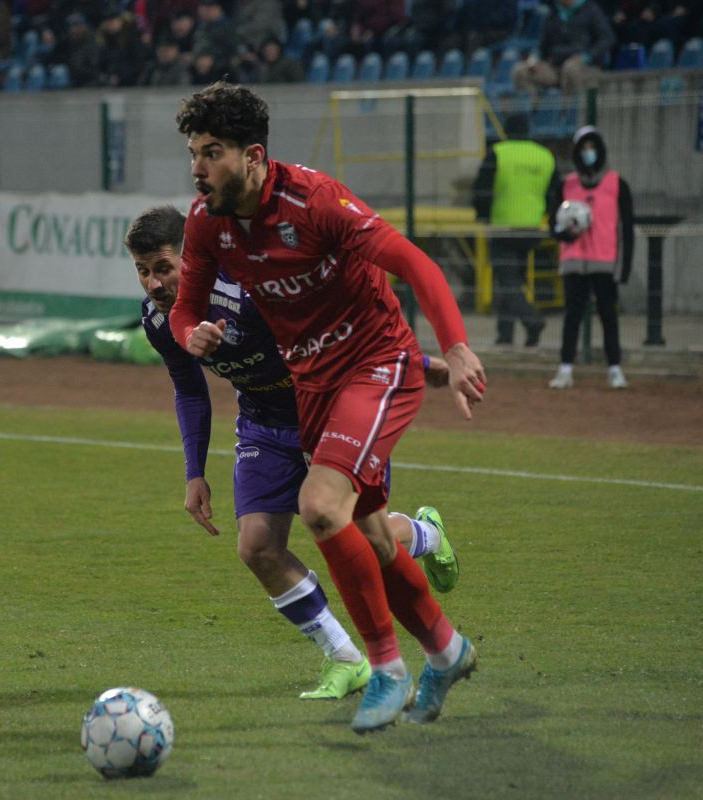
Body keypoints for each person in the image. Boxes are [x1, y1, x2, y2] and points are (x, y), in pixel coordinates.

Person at [169, 82, 486, 733]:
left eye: (212, 153)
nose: (197, 168)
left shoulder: (315, 202)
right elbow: (184, 309)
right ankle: (448, 651)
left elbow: (414, 263)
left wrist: (453, 349)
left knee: (319, 505)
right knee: (369, 539)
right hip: (311, 385)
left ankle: (386, 671)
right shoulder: (207, 224)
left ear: (253, 156)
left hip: (376, 363)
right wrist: (189, 334)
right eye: (194, 153)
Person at [127, 204, 461, 701]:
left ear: (190, 260)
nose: (153, 283)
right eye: (142, 271)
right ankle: (346, 659)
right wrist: (194, 472)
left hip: (332, 410)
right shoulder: (159, 319)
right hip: (264, 424)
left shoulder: (248, 292)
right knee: (257, 546)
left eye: (163, 267)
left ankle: (426, 535)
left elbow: (345, 325)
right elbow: (190, 389)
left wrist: (417, 361)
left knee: (366, 542)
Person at [548, 125, 635, 390]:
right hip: (574, 262)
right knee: (572, 315)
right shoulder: (567, 185)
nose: (589, 153)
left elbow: (626, 228)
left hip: (605, 263)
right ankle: (565, 369)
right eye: (583, 148)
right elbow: (553, 225)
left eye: (592, 147)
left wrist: (624, 267)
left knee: (609, 315)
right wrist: (568, 234)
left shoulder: (617, 184)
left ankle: (614, 369)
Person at [472, 112, 559, 346]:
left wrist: (482, 215)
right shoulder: (544, 156)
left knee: (507, 281)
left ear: (507, 130)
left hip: (503, 226)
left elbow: (482, 189)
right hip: (532, 228)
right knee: (512, 281)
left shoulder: (498, 153)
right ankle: (505, 335)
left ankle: (532, 320)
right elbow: (555, 193)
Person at [512, 0, 615, 97]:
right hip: (555, 67)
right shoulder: (553, 12)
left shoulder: (591, 10)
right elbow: (542, 45)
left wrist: (587, 57)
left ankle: (569, 113)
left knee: (570, 69)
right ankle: (535, 111)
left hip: (586, 66)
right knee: (520, 71)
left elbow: (607, 38)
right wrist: (534, 59)